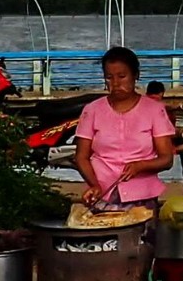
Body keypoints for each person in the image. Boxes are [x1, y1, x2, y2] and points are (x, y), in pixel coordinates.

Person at [73, 47, 176, 208]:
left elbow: (167, 159)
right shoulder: (92, 110)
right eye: (109, 77)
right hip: (103, 194)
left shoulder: (154, 110)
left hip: (143, 195)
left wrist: (141, 166)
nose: (116, 83)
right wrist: (94, 185)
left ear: (135, 76)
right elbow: (81, 156)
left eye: (122, 76)